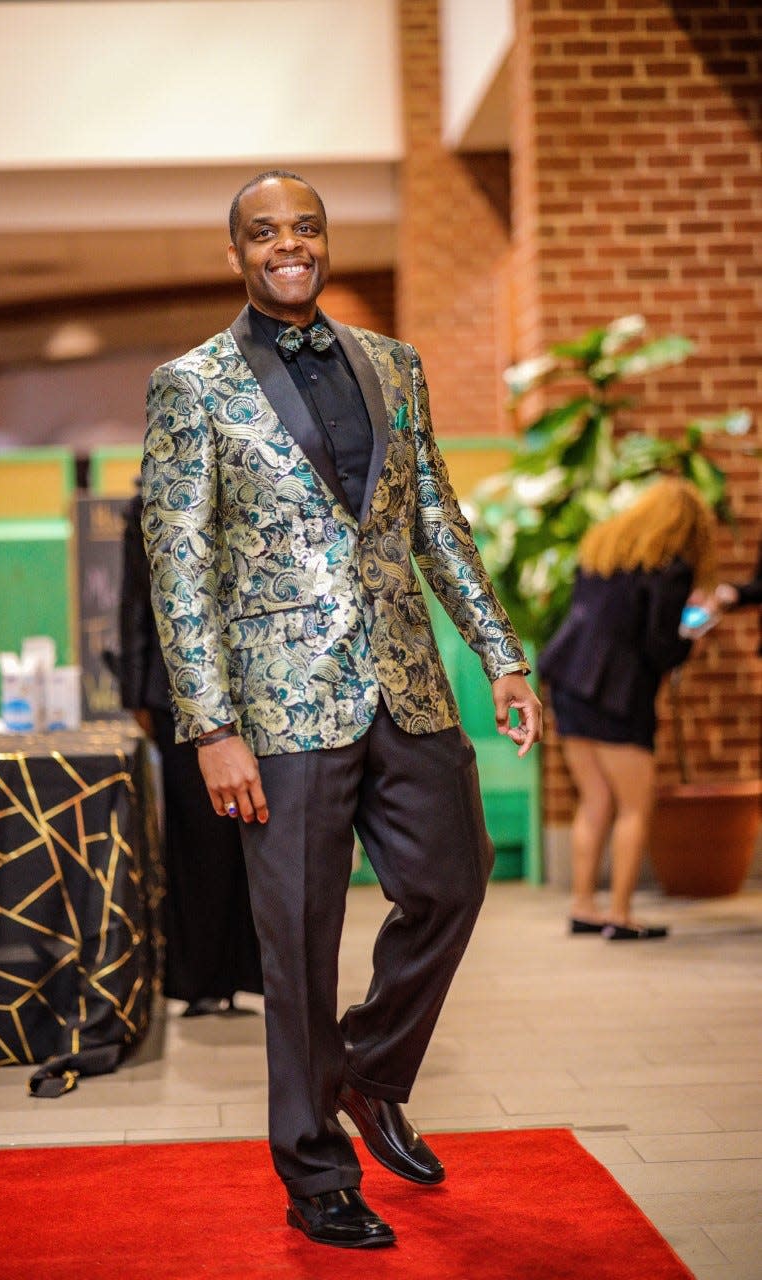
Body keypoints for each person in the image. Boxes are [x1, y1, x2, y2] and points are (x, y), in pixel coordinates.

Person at [141, 170, 542, 1250]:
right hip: (277, 715)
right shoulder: (192, 384)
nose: (289, 245)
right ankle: (316, 1173)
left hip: (406, 686)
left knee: (454, 880)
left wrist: (501, 655)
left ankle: (370, 1068)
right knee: (300, 946)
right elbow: (178, 570)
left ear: (325, 242)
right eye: (265, 232)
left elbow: (438, 522)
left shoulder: (393, 363)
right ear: (237, 253)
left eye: (305, 228)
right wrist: (213, 726)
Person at [538, 477, 717, 942]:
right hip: (620, 695)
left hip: (570, 681)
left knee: (595, 799)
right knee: (636, 805)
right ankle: (620, 914)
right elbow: (660, 649)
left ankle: (584, 906)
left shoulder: (603, 550)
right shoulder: (670, 568)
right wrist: (692, 634)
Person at [118, 484, 263, 1016]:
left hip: (259, 688)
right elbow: (135, 601)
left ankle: (255, 973)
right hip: (175, 695)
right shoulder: (151, 499)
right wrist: (135, 694)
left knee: (254, 839)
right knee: (197, 840)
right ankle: (201, 979)